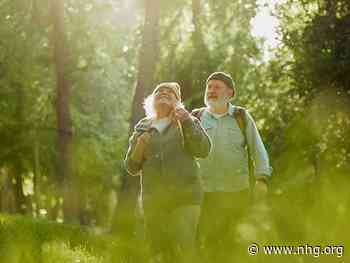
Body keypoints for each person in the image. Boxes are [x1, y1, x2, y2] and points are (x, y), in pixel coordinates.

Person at [124, 82, 211, 263]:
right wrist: (140, 145)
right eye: (159, 91)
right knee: (159, 251)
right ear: (151, 101)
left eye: (169, 92)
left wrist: (186, 121)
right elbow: (131, 167)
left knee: (184, 247)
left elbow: (203, 149)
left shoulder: (188, 120)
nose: (163, 93)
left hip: (185, 196)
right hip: (154, 199)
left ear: (177, 101)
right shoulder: (142, 126)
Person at [192, 72, 272, 262]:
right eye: (209, 87)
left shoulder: (241, 116)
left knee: (232, 245)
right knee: (202, 245)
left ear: (230, 93)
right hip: (202, 192)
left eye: (217, 87)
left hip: (235, 192)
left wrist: (262, 178)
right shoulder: (195, 117)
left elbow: (257, 147)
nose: (211, 91)